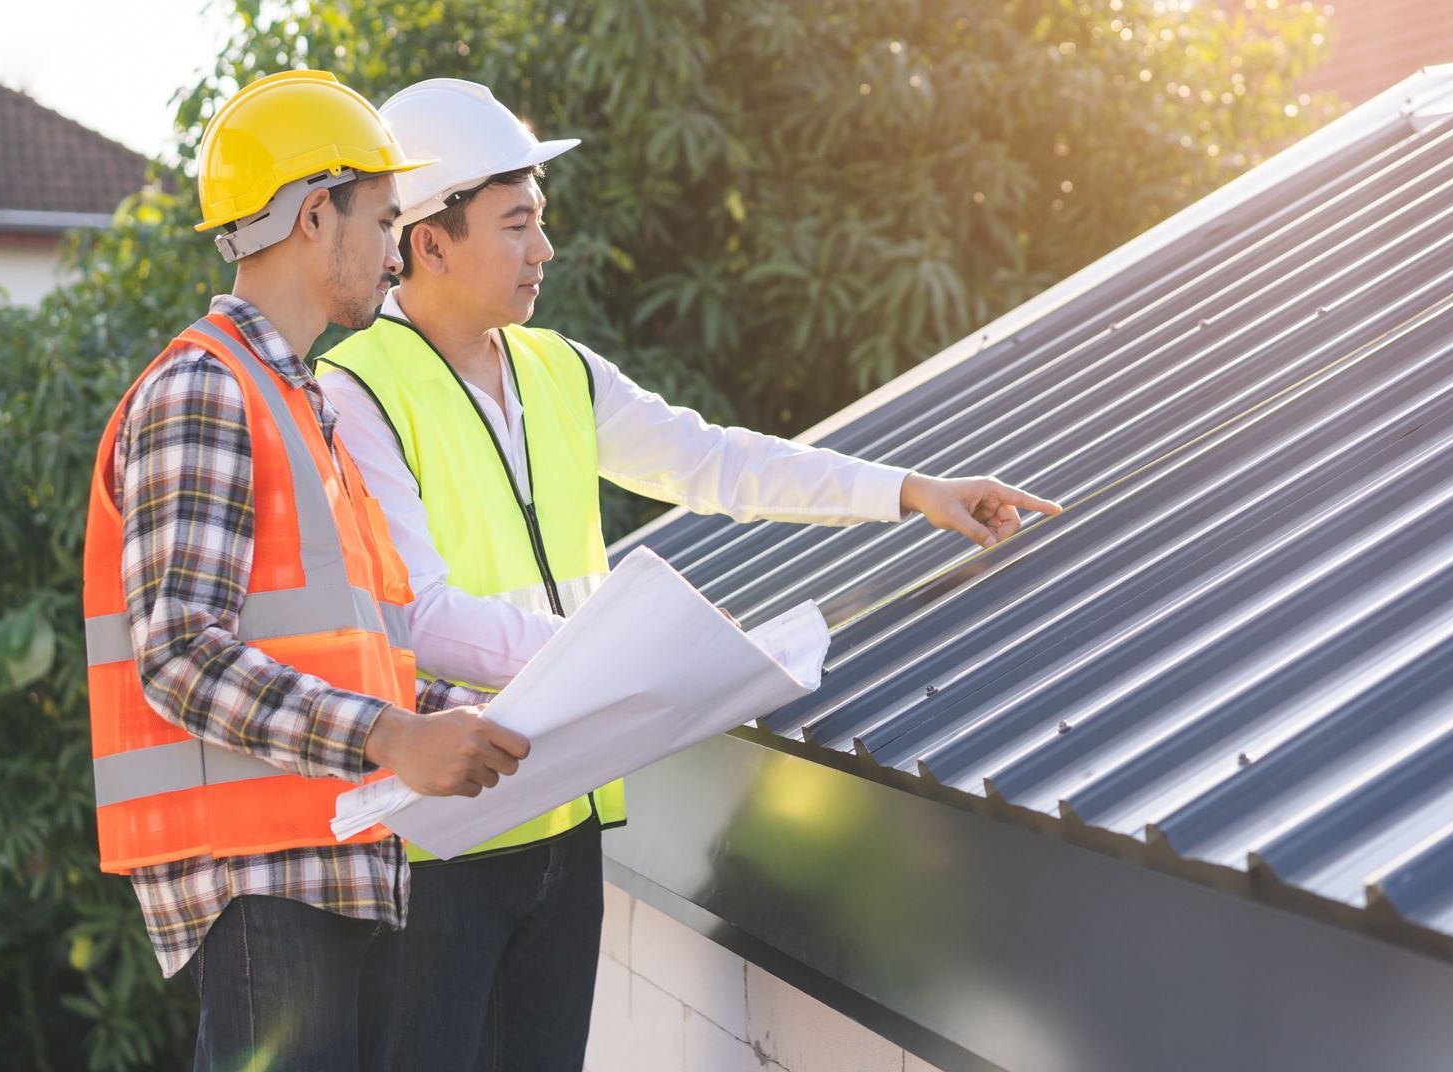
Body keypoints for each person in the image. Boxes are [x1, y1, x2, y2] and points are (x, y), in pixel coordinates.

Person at [317, 77, 1062, 1069]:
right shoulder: (356, 389)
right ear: (430, 240)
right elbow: (422, 619)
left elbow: (719, 461)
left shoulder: (560, 372)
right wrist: (629, 654)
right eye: (517, 224)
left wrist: (909, 490)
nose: (544, 249)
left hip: (564, 820)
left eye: (541, 222)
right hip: (445, 839)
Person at [80, 70, 531, 1071]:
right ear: (314, 214)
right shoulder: (206, 389)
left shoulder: (299, 404)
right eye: (380, 219)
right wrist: (392, 734)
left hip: (323, 864)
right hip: (262, 877)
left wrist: (514, 713)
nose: (391, 248)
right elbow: (181, 653)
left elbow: (361, 659)